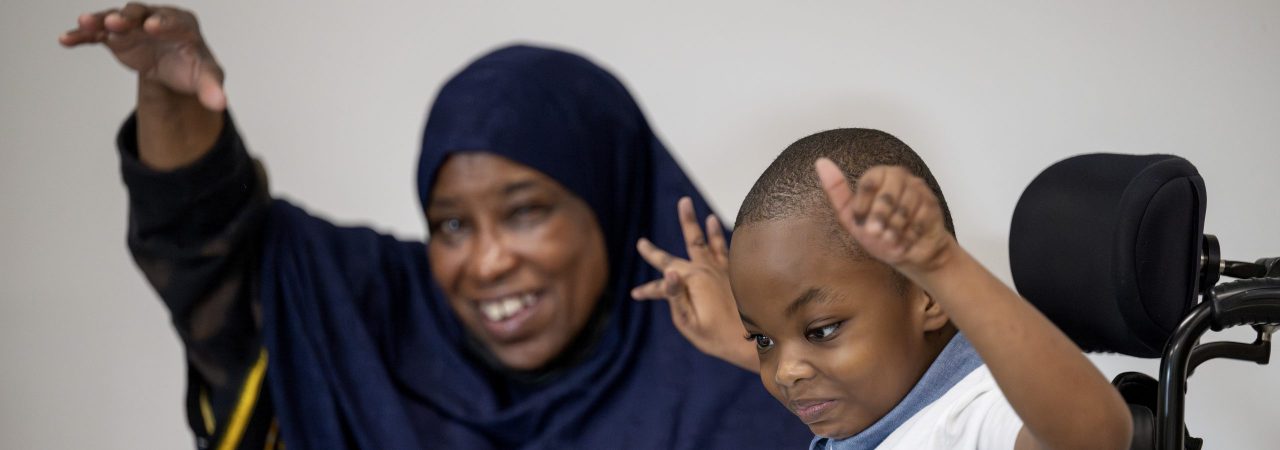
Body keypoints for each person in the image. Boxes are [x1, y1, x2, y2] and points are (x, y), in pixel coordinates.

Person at [58, 4, 810, 449]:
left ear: (612, 208)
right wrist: (169, 95)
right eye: (451, 225)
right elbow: (209, 252)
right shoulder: (376, 324)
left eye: (525, 213)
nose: (485, 263)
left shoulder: (747, 389)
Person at [725, 129, 1132, 449]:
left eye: (823, 330)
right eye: (761, 339)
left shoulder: (970, 417)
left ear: (930, 296)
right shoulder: (876, 413)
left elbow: (1092, 436)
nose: (785, 372)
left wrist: (943, 265)